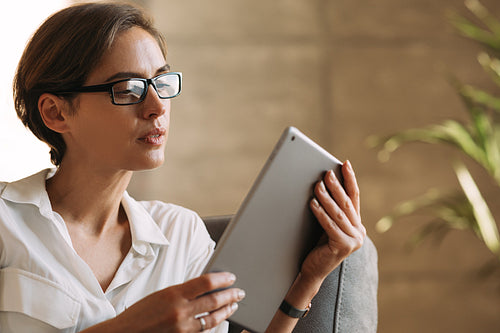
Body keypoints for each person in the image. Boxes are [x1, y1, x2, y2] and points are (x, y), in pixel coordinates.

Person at [0, 2, 366, 333]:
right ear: (56, 112)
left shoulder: (181, 234)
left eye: (161, 82)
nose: (157, 106)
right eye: (129, 88)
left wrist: (307, 280)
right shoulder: (7, 222)